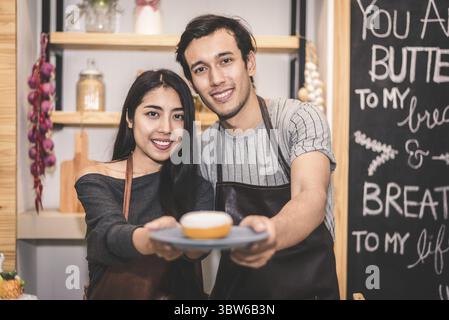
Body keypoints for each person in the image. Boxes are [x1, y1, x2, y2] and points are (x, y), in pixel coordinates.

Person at [176, 14, 340, 299]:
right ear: (192, 83)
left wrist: (269, 233)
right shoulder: (202, 150)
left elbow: (310, 196)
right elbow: (198, 245)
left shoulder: (298, 118)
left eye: (226, 61)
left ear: (249, 63)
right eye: (201, 69)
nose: (216, 79)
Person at [75, 69, 213, 300]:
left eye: (178, 116)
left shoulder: (197, 184)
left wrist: (189, 240)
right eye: (152, 114)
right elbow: (111, 233)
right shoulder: (96, 179)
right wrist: (152, 239)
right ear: (129, 117)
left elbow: (199, 251)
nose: (166, 128)